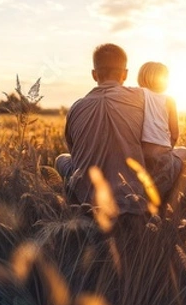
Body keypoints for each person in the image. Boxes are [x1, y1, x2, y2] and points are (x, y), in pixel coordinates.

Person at [55, 43, 147, 215]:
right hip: (132, 196)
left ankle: (73, 203)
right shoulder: (141, 98)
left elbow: (75, 155)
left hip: (87, 202)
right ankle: (163, 211)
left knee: (61, 159)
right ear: (125, 74)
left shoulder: (76, 107)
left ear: (94, 74)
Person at [137, 61, 186, 200]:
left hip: (138, 155)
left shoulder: (137, 95)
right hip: (161, 156)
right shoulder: (169, 100)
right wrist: (168, 149)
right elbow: (174, 134)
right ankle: (174, 199)